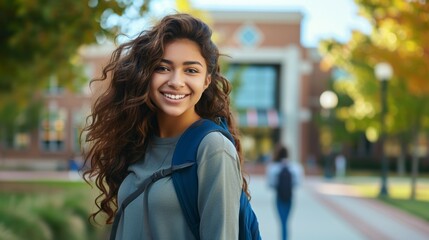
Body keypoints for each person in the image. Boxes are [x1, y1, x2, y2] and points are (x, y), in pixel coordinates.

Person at [82, 13, 249, 239]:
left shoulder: (213, 148)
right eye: (162, 67)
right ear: (146, 74)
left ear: (206, 81)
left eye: (191, 70)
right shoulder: (138, 139)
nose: (176, 81)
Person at [266, 144, 296, 240]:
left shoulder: (273, 168)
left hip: (279, 197)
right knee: (286, 221)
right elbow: (297, 182)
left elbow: (270, 184)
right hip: (290, 197)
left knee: (282, 221)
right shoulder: (294, 167)